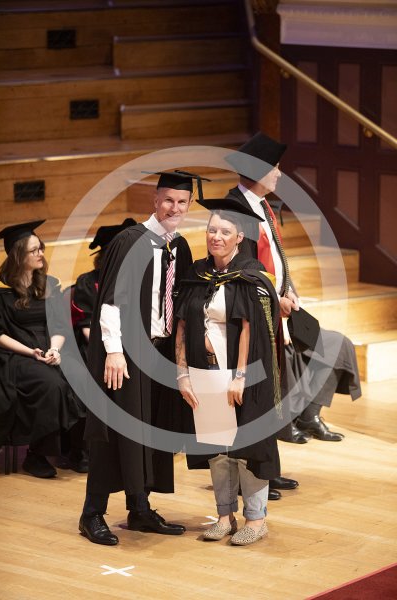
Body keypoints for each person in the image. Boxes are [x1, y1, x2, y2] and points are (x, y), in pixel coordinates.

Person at [79, 170, 203, 546]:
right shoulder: (129, 241)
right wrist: (114, 352)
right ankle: (92, 513)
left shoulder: (179, 246)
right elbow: (110, 302)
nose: (174, 208)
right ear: (155, 200)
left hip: (160, 353)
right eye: (168, 200)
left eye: (182, 202)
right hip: (127, 353)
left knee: (151, 431)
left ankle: (140, 509)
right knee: (114, 430)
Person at [224, 132, 361, 447]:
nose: (279, 174)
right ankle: (283, 421)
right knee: (285, 358)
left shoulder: (264, 206)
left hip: (282, 304)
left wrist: (290, 290)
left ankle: (308, 415)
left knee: (337, 345)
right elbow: (243, 270)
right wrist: (277, 301)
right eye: (275, 168)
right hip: (255, 312)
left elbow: (276, 256)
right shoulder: (234, 210)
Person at [175, 202, 281, 546]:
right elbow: (182, 325)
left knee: (247, 445)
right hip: (203, 371)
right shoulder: (196, 274)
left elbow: (250, 328)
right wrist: (182, 374)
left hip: (239, 374)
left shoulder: (250, 274)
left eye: (224, 231)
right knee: (217, 447)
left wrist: (240, 376)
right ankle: (224, 516)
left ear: (239, 237)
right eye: (211, 230)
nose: (216, 237)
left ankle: (256, 519)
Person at [0, 220, 85, 478]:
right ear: (18, 256)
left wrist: (54, 350)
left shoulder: (49, 284)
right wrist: (31, 352)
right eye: (34, 250)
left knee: (80, 377)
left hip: (49, 350)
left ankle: (76, 450)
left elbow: (59, 325)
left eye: (41, 248)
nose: (41, 253)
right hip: (16, 354)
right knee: (51, 384)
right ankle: (36, 455)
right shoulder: (1, 291)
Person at [71, 218, 136, 363]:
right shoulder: (88, 282)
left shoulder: (136, 278)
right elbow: (86, 326)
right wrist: (114, 351)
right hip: (99, 350)